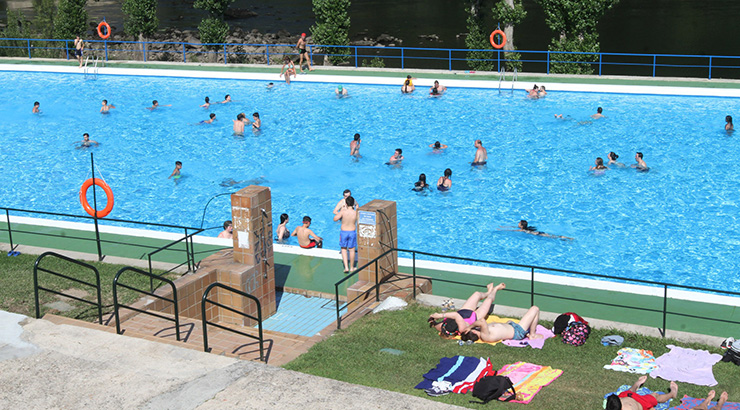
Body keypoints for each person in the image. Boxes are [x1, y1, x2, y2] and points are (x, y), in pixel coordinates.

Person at [427, 283, 504, 338]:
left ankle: (488, 292)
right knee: (489, 300)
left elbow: (433, 323)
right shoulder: (462, 329)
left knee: (477, 294)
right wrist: (440, 315)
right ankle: (495, 289)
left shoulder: (441, 326)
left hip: (464, 311)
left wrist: (432, 319)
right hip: (475, 316)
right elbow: (456, 315)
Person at [605, 376, 678, 410]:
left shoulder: (613, 405)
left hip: (627, 396)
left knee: (630, 391)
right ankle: (672, 393)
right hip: (641, 402)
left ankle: (637, 384)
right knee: (655, 396)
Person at [333, 196, 358, 273]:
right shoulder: (356, 213)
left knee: (343, 249)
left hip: (344, 232)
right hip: (352, 232)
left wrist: (341, 214)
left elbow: (335, 219)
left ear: (346, 204)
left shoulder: (343, 212)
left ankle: (346, 267)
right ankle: (352, 267)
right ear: (353, 204)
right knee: (352, 249)